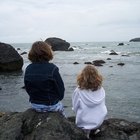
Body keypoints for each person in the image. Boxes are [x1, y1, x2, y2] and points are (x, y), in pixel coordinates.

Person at [24, 41, 65, 116]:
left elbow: (27, 88)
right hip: (51, 105)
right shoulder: (53, 68)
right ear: (48, 52)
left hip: (35, 105)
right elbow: (60, 91)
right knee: (63, 114)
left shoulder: (28, 68)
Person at [72, 65, 107, 138]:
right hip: (99, 121)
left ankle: (87, 132)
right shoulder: (101, 89)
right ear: (97, 76)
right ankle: (95, 129)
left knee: (81, 112)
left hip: (84, 123)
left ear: (82, 76)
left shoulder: (78, 91)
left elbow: (75, 107)